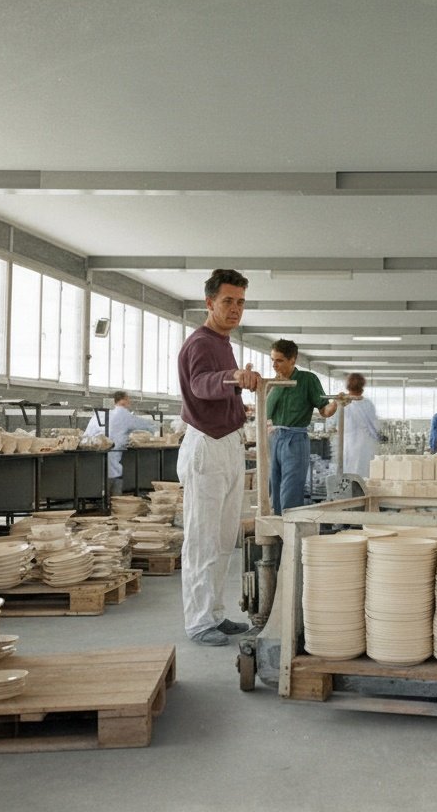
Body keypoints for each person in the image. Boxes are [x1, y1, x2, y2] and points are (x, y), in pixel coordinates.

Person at [176, 269, 259, 646]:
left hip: (228, 444)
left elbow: (223, 384)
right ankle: (197, 620)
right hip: (207, 445)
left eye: (240, 302)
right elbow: (200, 384)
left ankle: (216, 613)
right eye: (228, 301)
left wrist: (237, 388)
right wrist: (232, 378)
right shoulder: (200, 343)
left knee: (225, 537)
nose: (235, 309)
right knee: (202, 538)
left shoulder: (224, 343)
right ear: (209, 302)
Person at [267, 339, 339, 513]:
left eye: (279, 361)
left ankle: (290, 528)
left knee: (290, 487)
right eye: (272, 360)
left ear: (293, 359)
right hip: (275, 438)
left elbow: (324, 410)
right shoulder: (274, 384)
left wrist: (336, 403)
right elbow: (267, 413)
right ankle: (277, 528)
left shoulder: (307, 380)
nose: (274, 365)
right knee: (273, 485)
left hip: (295, 439)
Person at [105, 391, 157, 496]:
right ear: (123, 400)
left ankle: (109, 501)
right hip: (114, 452)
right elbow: (142, 424)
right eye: (128, 398)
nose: (130, 401)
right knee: (114, 473)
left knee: (110, 470)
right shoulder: (123, 414)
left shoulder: (110, 413)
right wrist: (158, 426)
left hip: (106, 452)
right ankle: (115, 501)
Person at [339, 372, 378, 478]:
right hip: (365, 445)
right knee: (363, 474)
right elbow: (374, 427)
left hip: (347, 444)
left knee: (348, 473)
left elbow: (334, 425)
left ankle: (349, 493)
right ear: (362, 386)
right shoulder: (368, 404)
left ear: (348, 386)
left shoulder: (342, 404)